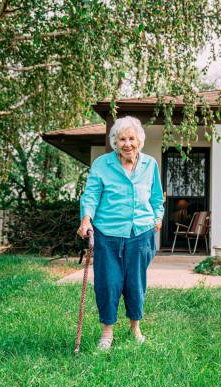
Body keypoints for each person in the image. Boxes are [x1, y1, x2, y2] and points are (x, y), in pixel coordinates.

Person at [77, 116, 164, 351]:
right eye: (122, 139)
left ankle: (135, 326)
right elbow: (91, 194)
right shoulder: (102, 165)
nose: (127, 143)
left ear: (139, 141)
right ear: (115, 142)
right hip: (108, 233)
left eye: (131, 138)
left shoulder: (150, 165)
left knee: (136, 283)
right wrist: (86, 218)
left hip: (142, 233)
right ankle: (107, 331)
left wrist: (158, 217)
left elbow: (157, 197)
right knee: (109, 282)